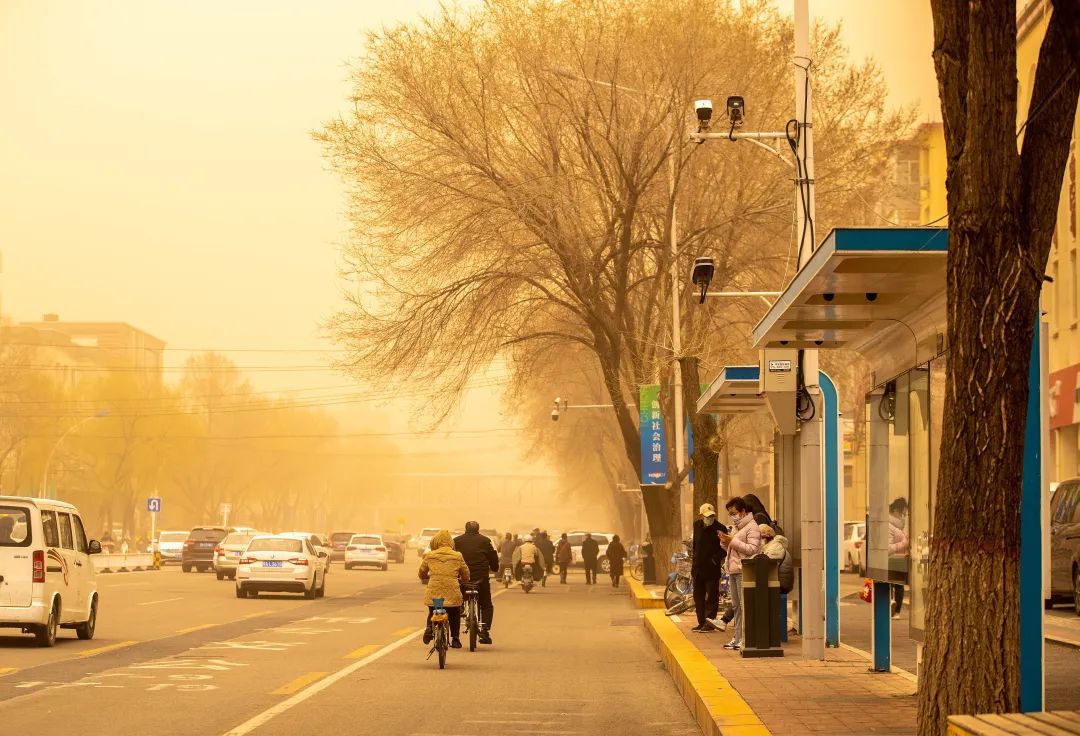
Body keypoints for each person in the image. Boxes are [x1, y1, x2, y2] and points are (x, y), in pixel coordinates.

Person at [718, 497, 761, 651]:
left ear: (743, 511)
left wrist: (732, 541)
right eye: (730, 514)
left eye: (734, 513)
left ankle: (745, 638)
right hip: (734, 570)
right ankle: (737, 638)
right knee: (736, 606)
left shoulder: (752, 527)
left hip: (745, 571)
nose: (732, 516)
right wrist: (725, 542)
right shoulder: (737, 527)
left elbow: (752, 549)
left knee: (744, 606)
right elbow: (734, 549)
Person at [419, 530, 470, 649]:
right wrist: (464, 579)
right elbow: (465, 573)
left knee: (434, 609)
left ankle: (430, 628)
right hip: (452, 592)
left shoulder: (430, 556)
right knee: (454, 612)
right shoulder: (457, 556)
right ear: (451, 543)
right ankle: (456, 639)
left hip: (435, 592)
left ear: (435, 542)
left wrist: (424, 576)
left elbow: (422, 572)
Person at [454, 521, 499, 644]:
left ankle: (455, 634)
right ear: (478, 529)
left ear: (465, 529)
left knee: (456, 603)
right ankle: (485, 631)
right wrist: (495, 568)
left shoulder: (457, 541)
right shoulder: (485, 541)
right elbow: (493, 557)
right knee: (486, 605)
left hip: (463, 579)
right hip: (481, 579)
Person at [692, 503, 727, 633]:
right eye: (707, 516)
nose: (709, 518)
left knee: (712, 596)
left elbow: (725, 549)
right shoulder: (697, 526)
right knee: (698, 597)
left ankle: (709, 622)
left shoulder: (720, 528)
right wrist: (694, 561)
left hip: (712, 569)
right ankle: (701, 622)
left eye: (711, 516)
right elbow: (695, 544)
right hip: (698, 569)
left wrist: (714, 559)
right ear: (701, 516)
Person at [889, 498, 910, 619]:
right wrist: (904, 543)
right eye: (903, 514)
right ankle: (893, 608)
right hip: (891, 559)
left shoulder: (899, 525)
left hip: (899, 559)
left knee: (898, 586)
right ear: (896, 511)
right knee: (891, 585)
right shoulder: (890, 525)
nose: (904, 517)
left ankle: (897, 611)